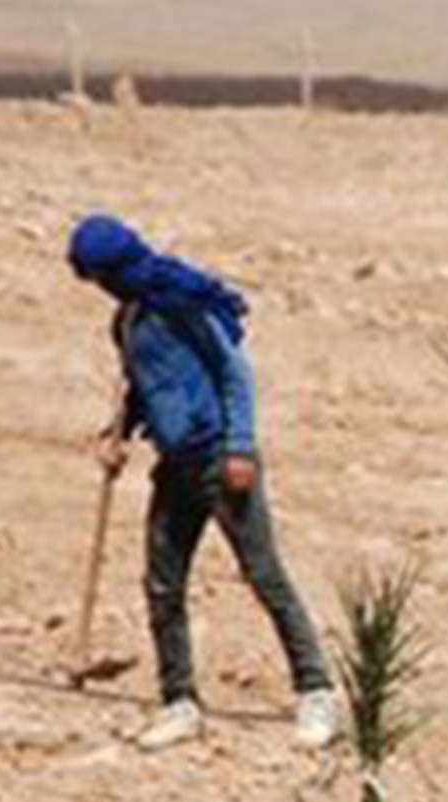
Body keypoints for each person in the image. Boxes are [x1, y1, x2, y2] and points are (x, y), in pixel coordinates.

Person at [67, 214, 338, 752]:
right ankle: (179, 701)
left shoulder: (181, 304)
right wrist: (118, 431)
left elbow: (234, 372)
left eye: (99, 276)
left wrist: (240, 446)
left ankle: (316, 691)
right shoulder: (128, 319)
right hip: (176, 465)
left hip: (220, 459)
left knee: (264, 575)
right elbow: (145, 386)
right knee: (162, 583)